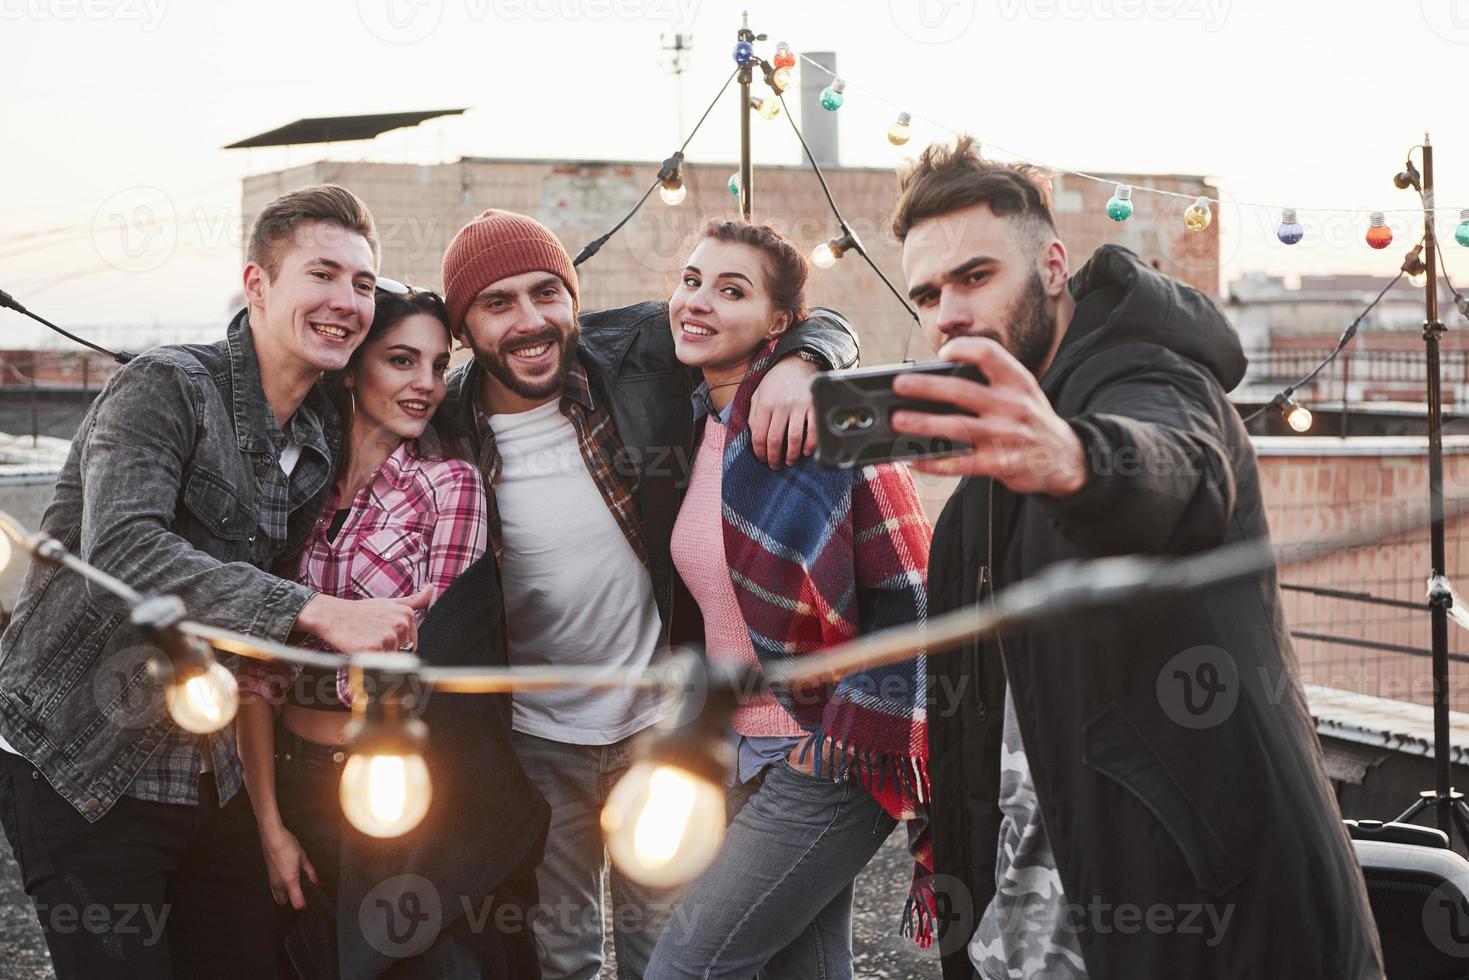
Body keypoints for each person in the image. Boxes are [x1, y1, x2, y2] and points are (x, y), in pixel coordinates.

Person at [886, 136, 1384, 979]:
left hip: (1208, 937)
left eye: (976, 277)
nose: (949, 316)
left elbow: (1175, 469)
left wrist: (1073, 461)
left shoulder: (1154, 379)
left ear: (1051, 264)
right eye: (928, 294)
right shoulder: (979, 494)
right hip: (1022, 945)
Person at [0, 185, 429, 979]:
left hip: (212, 769)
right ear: (257, 285)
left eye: (364, 285)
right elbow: (123, 552)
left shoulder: (317, 436)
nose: (346, 301)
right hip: (88, 764)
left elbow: (430, 379)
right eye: (322, 275)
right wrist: (314, 609)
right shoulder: (164, 387)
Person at [437, 209, 859, 980]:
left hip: (659, 725)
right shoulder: (443, 426)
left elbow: (804, 316)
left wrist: (807, 358)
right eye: (497, 304)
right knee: (559, 954)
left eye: (546, 293)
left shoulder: (635, 351)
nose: (530, 320)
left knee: (665, 948)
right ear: (461, 327)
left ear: (572, 296)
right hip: (537, 735)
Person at [643, 219, 934, 980]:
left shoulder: (823, 421)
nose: (698, 302)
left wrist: (838, 734)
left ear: (778, 323)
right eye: (691, 281)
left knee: (686, 966)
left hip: (825, 751)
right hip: (738, 747)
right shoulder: (696, 419)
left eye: (730, 290)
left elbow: (911, 593)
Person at [233, 283, 494, 973]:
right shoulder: (294, 487)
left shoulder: (449, 485)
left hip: (394, 782)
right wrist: (268, 824)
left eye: (439, 366)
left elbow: (441, 660)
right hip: (290, 778)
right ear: (351, 366)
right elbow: (255, 669)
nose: (427, 384)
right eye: (401, 361)